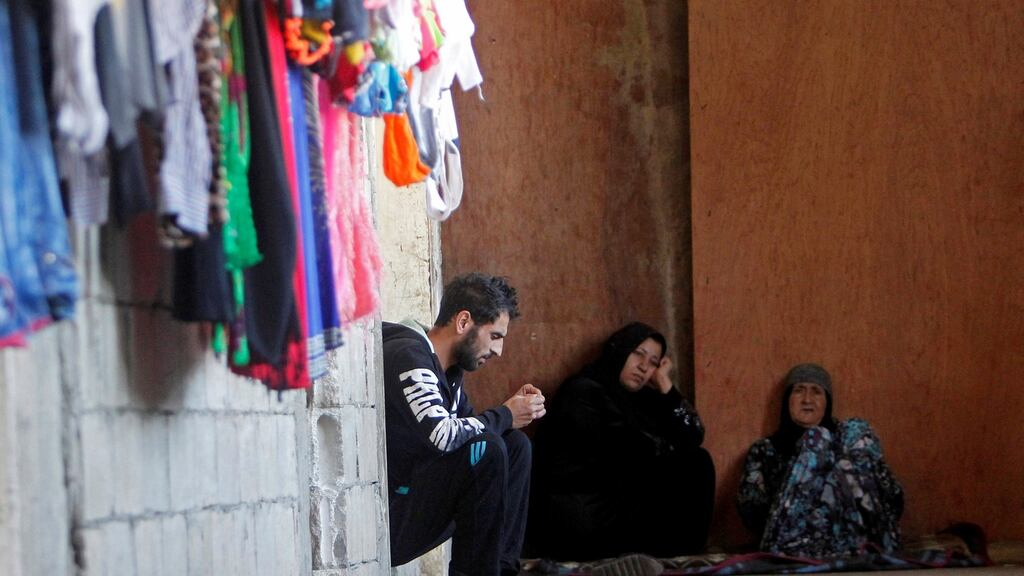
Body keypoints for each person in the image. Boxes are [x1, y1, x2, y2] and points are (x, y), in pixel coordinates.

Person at [382, 273, 546, 576]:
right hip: (389, 517)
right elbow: (442, 436)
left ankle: (502, 570)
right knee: (489, 448)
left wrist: (512, 418)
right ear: (463, 322)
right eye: (495, 336)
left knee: (514, 446)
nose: (498, 351)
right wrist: (506, 414)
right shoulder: (408, 354)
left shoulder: (451, 374)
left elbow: (474, 431)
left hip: (417, 501)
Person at [527, 322, 715, 560]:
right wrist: (666, 450)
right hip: (580, 516)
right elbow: (628, 452)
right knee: (680, 466)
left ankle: (682, 554)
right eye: (638, 354)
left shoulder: (639, 400)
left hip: (616, 509)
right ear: (620, 349)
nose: (644, 367)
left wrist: (664, 382)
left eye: (654, 362)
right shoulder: (583, 390)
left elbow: (694, 434)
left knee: (697, 461)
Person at [736, 363, 904, 558]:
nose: (807, 399)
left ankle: (880, 540)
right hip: (790, 540)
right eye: (799, 391)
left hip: (848, 536)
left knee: (857, 427)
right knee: (817, 438)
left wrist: (842, 477)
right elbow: (751, 514)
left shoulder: (847, 441)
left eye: (816, 392)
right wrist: (794, 483)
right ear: (787, 400)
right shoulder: (765, 450)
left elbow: (894, 499)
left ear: (827, 402)